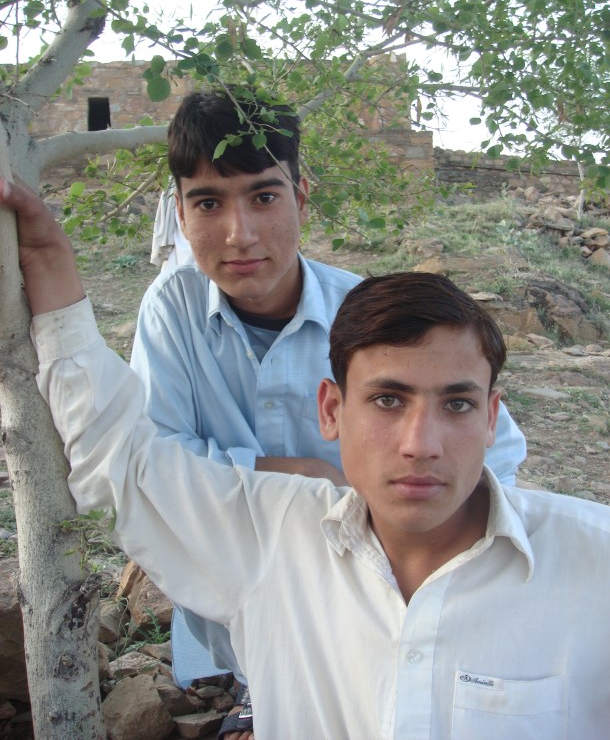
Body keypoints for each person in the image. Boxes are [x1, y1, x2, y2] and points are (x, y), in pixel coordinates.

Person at [2, 178, 608, 739]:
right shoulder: (271, 540)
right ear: (331, 411)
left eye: (456, 404)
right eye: (388, 400)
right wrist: (48, 257)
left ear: (491, 418)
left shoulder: (592, 566)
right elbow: (120, 461)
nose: (420, 444)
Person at [127, 89, 528, 727]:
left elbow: (496, 452)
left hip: (381, 596)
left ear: (302, 196)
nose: (239, 234)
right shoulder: (171, 311)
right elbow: (152, 463)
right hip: (236, 605)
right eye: (208, 203)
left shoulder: (367, 315)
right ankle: (254, 691)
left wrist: (410, 527)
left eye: (264, 197)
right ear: (179, 212)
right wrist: (303, 477)